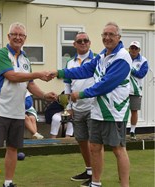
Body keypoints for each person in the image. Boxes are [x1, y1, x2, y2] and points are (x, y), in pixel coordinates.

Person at [50, 22, 132, 187]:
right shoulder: (102, 55)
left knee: (118, 148)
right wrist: (59, 72)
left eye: (111, 34)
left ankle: (125, 185)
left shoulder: (122, 57)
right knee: (94, 146)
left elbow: (106, 85)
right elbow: (85, 70)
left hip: (114, 111)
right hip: (98, 109)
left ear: (119, 37)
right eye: (104, 34)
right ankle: (95, 183)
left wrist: (79, 94)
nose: (107, 38)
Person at [0, 22, 57, 187]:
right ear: (8, 37)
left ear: (25, 38)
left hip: (17, 111)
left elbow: (29, 84)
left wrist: (44, 95)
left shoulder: (25, 59)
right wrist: (38, 73)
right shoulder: (1, 54)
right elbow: (12, 76)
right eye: (14, 34)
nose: (17, 37)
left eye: (21, 35)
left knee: (13, 148)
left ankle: (8, 183)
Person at [64, 32, 96, 187]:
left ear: (90, 43)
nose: (83, 43)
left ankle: (95, 178)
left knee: (94, 144)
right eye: (79, 41)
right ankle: (89, 171)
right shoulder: (70, 63)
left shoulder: (98, 59)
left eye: (86, 40)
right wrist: (69, 106)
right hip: (77, 108)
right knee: (82, 141)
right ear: (74, 44)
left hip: (94, 106)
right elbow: (67, 85)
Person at [128, 41, 149, 140]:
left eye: (135, 48)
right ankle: (120, 130)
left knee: (134, 110)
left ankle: (132, 131)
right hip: (122, 88)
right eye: (132, 48)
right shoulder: (124, 58)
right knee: (120, 110)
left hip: (135, 90)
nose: (133, 50)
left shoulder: (143, 61)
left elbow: (141, 74)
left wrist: (131, 69)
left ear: (139, 50)